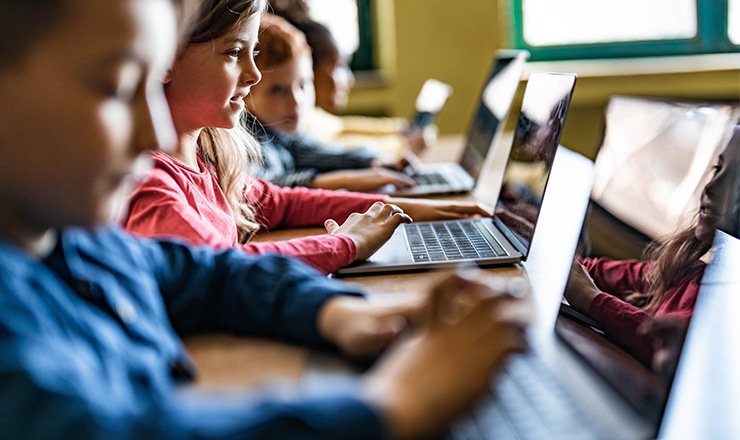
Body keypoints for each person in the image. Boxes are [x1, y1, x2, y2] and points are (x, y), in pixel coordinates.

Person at [0, 0, 532, 438]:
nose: (157, 135)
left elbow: (208, 276)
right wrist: (392, 404)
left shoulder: (71, 243)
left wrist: (341, 314)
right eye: (117, 89)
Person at [122, 5, 490, 275]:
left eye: (253, 54)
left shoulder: (206, 157)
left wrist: (404, 209)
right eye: (235, 53)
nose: (252, 75)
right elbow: (223, 270)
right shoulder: (150, 184)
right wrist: (346, 243)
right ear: (164, 60)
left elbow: (281, 202)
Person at [564, 127, 740, 367]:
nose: (711, 188)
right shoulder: (686, 271)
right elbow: (594, 271)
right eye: (717, 169)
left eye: (735, 181)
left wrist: (591, 299)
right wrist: (533, 236)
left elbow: (671, 347)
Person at [245, 14, 417, 192]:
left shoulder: (280, 133)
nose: (297, 101)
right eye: (278, 90)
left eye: (303, 84)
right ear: (244, 92)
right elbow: (263, 190)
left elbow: (315, 152)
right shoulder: (245, 141)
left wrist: (374, 161)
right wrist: (344, 181)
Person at [268, 0, 435, 160]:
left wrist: (400, 130)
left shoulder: (312, 115)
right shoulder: (291, 121)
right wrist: (401, 145)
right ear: (309, 68)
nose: (349, 80)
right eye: (338, 66)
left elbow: (341, 128)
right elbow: (336, 150)